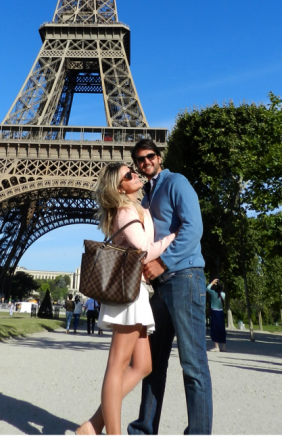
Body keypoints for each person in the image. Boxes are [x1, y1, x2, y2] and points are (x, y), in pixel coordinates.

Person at [76, 162, 176, 436]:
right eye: (128, 174)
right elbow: (144, 248)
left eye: (133, 169)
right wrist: (173, 238)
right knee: (117, 364)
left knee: (143, 365)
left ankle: (93, 425)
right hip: (128, 294)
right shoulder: (123, 211)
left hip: (137, 291)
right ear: (119, 187)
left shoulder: (139, 208)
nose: (135, 174)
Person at [128, 139, 213, 436]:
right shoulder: (146, 198)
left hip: (184, 278)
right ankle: (143, 431)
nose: (145, 162)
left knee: (193, 366)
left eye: (150, 156)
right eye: (139, 159)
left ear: (159, 157)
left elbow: (193, 227)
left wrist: (162, 263)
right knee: (151, 364)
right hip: (161, 287)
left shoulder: (177, 183)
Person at [207, 278, 227, 352]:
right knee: (222, 329)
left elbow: (207, 288)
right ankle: (223, 347)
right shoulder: (223, 294)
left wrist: (212, 283)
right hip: (221, 312)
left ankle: (216, 347)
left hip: (214, 312)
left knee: (215, 329)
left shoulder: (213, 293)